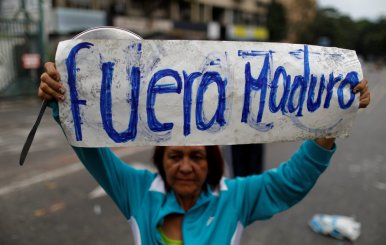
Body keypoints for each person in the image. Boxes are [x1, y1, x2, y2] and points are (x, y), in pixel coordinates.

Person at [38, 62, 370, 244]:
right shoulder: (137, 190)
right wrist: (61, 100)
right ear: (160, 160)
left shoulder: (235, 198)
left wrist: (331, 121)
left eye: (196, 156)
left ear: (212, 160)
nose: (185, 167)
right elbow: (93, 151)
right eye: (174, 156)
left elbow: (291, 182)